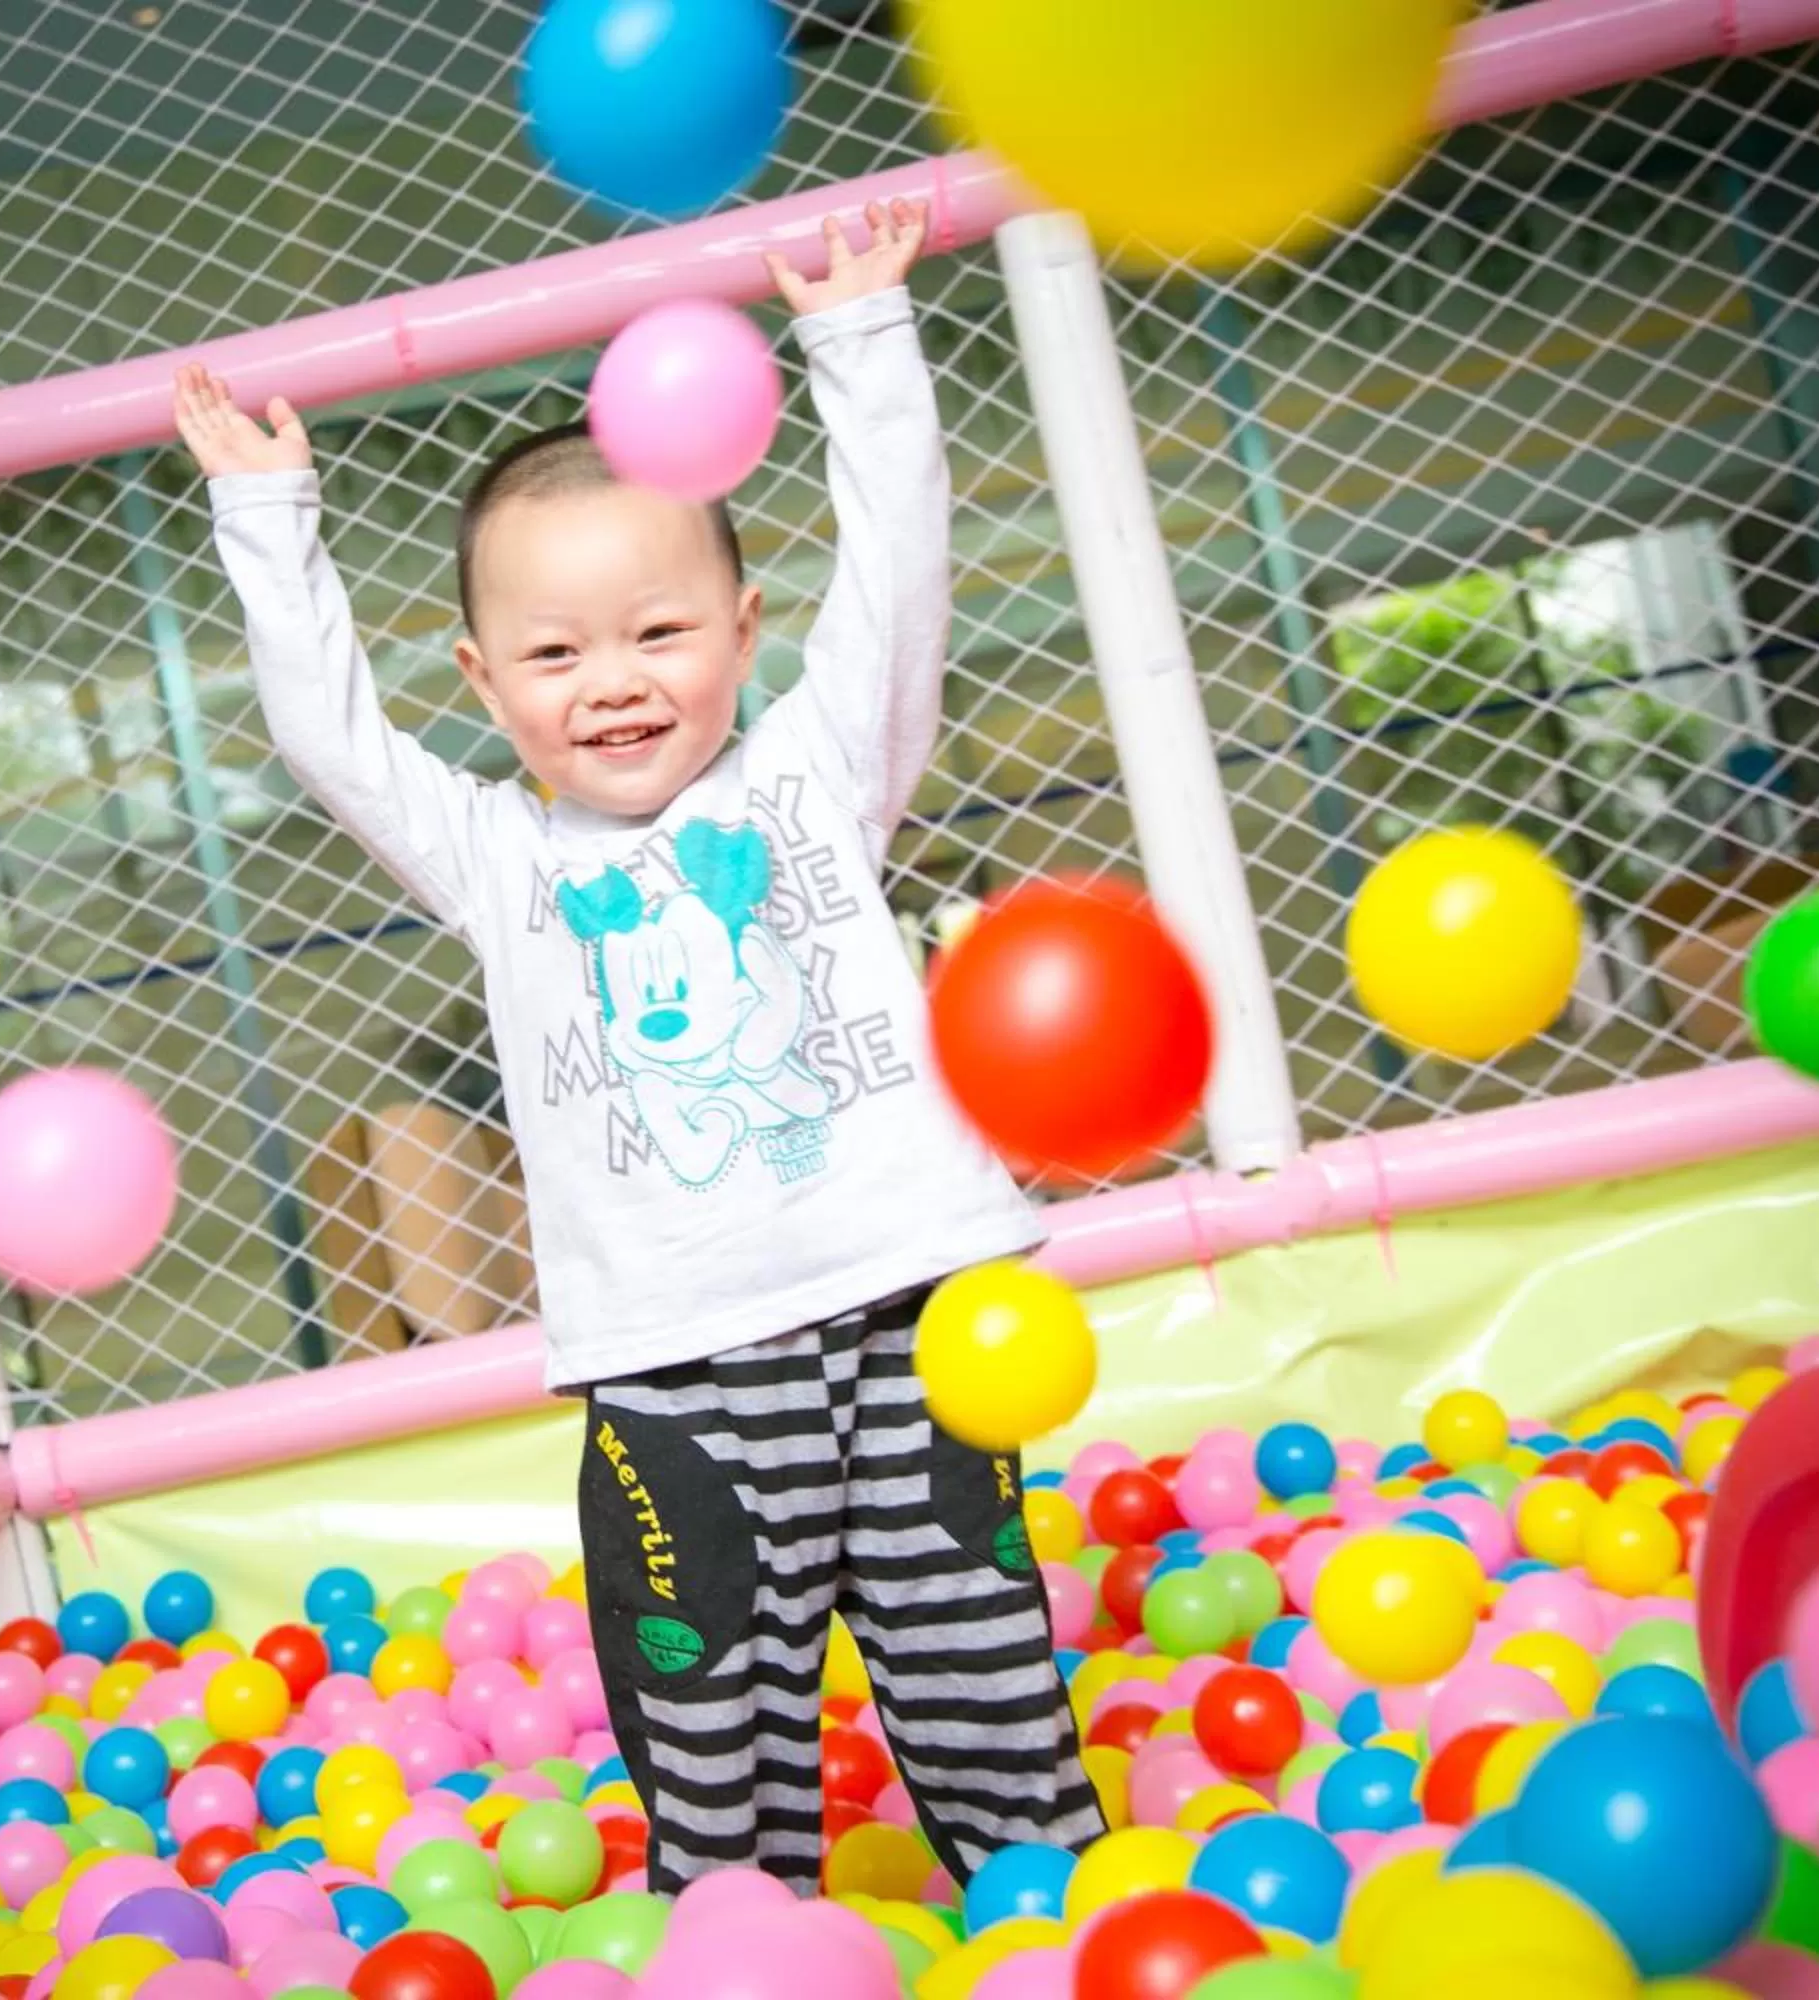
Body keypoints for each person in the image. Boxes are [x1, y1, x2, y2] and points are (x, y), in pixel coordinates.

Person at [177, 201, 1106, 1894]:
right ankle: (747, 1927)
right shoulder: (500, 859)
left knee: (983, 1685)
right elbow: (331, 737)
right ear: (483, 677)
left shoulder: (816, 777)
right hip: (678, 1369)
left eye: (661, 634)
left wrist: (861, 346)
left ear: (745, 635)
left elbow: (898, 591)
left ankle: (1044, 1902)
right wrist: (266, 510)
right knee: (715, 1729)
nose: (613, 682)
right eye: (553, 653)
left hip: (917, 1322)